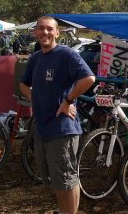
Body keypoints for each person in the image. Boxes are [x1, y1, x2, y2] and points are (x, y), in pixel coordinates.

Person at [19, 16, 95, 214]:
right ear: (35, 32)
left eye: (49, 29)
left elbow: (88, 78)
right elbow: (23, 83)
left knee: (65, 180)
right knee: (59, 180)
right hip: (42, 127)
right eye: (41, 29)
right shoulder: (35, 58)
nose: (45, 32)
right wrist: (34, 100)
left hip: (63, 128)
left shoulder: (66, 54)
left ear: (57, 32)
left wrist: (68, 100)